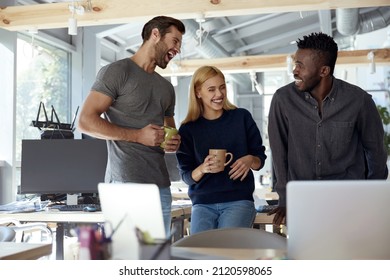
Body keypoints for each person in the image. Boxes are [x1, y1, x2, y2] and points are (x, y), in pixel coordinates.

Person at [77, 16, 186, 236]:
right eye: (174, 41)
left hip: (161, 187)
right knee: (126, 259)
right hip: (125, 183)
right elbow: (85, 121)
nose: (177, 49)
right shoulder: (117, 72)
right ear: (155, 34)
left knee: (155, 259)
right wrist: (138, 136)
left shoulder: (166, 87)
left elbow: (168, 130)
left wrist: (173, 141)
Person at [268, 32, 389, 226]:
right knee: (306, 254)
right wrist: (284, 198)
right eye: (295, 63)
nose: (295, 70)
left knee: (349, 253)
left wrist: (370, 196)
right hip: (302, 200)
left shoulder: (359, 101)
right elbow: (279, 152)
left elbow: (375, 151)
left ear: (324, 71)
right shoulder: (283, 100)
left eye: (301, 65)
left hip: (349, 199)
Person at [176, 65, 267, 234]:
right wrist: (203, 168)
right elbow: (187, 177)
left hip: (238, 201)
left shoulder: (241, 117)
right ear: (198, 92)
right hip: (202, 204)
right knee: (197, 254)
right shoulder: (188, 129)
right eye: (211, 89)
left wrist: (250, 160)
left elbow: (259, 159)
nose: (219, 94)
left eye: (222, 87)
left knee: (226, 250)